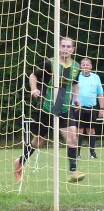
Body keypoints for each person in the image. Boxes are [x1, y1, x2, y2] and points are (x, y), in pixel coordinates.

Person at [13, 37, 85, 183]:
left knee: (72, 137)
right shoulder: (49, 63)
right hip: (47, 108)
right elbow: (33, 76)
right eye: (62, 46)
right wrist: (34, 89)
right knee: (38, 142)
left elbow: (75, 84)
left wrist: (76, 98)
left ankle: (73, 171)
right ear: (58, 47)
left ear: (73, 49)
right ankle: (20, 161)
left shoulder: (76, 66)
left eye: (68, 46)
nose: (65, 49)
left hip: (65, 108)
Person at [75, 57, 104, 159]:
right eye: (83, 64)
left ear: (91, 67)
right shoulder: (76, 76)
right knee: (79, 130)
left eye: (87, 65)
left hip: (91, 108)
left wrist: (102, 108)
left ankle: (93, 153)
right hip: (78, 108)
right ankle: (77, 154)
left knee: (91, 130)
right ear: (80, 67)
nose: (85, 66)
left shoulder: (96, 77)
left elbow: (100, 93)